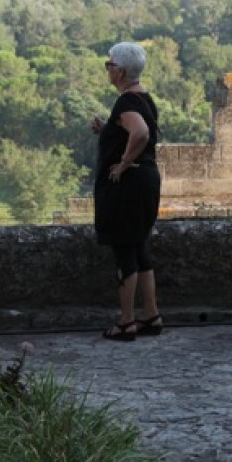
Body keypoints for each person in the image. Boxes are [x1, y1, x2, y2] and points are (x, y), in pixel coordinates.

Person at [90, 42, 164, 341]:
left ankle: (126, 321)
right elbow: (132, 130)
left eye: (109, 65)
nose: (107, 69)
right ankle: (151, 314)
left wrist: (121, 165)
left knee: (124, 249)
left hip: (128, 185)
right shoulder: (144, 98)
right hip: (146, 181)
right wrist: (106, 129)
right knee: (140, 247)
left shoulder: (125, 103)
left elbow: (141, 132)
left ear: (119, 71)